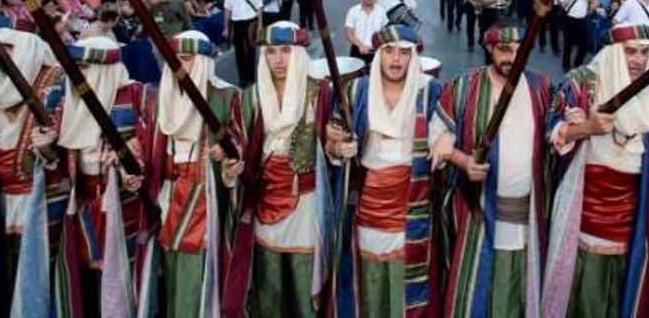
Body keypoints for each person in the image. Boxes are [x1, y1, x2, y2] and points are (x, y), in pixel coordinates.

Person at [430, 19, 551, 317]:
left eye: (519, 50)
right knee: (476, 282)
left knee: (517, 282)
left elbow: (555, 132)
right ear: (490, 49)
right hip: (478, 209)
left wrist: (573, 121)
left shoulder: (541, 87)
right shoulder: (463, 86)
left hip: (526, 210)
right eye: (504, 49)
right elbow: (439, 137)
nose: (512, 57)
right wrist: (463, 161)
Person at [325, 24, 446, 317]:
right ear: (378, 55)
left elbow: (447, 131)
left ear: (413, 56)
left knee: (409, 277)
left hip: (413, 203)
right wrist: (339, 149)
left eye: (404, 52)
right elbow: (331, 141)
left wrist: (445, 139)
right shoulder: (356, 90)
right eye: (389, 51)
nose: (395, 59)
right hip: (366, 201)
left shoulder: (431, 92)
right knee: (365, 275)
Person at [543, 24, 649, 318]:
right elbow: (551, 128)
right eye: (630, 52)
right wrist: (585, 128)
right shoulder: (581, 82)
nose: (638, 60)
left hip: (631, 215)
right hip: (583, 209)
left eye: (644, 52)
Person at [223, 22, 333, 317]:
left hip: (307, 204)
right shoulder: (249, 98)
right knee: (269, 278)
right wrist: (229, 164)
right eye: (270, 52)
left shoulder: (320, 93)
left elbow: (334, 144)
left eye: (285, 51)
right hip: (265, 201)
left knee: (303, 276)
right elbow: (236, 142)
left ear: (298, 53)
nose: (278, 60)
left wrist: (337, 149)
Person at [137, 30, 245, 317]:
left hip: (204, 200)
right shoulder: (156, 98)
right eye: (174, 61)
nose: (178, 68)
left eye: (186, 60)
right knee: (169, 271)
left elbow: (240, 145)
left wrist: (229, 156)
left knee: (195, 273)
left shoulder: (227, 96)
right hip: (167, 198)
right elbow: (148, 148)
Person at [0, 18, 72, 314]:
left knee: (37, 273)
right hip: (0, 201)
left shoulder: (57, 83)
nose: (0, 60)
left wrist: (49, 149)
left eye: (8, 50)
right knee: (1, 271)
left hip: (43, 199)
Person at [53, 36, 147, 316]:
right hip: (83, 204)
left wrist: (135, 157)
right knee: (86, 279)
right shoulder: (65, 96)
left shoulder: (138, 96)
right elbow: (57, 154)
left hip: (124, 208)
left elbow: (152, 150)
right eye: (77, 67)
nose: (79, 75)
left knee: (125, 278)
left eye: (86, 68)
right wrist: (46, 148)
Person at [224, 0, 263, 87]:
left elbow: (259, 8)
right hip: (237, 23)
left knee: (251, 50)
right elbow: (227, 9)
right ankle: (243, 77)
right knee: (239, 52)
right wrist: (226, 27)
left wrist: (260, 25)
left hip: (251, 22)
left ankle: (251, 77)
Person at [344, 0, 388, 66]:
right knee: (356, 77)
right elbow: (349, 33)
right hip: (357, 51)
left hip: (376, 52)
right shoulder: (353, 11)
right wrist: (360, 46)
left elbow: (386, 31)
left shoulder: (381, 11)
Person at [559, 0, 593, 72]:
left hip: (582, 20)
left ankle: (578, 63)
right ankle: (566, 65)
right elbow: (563, 3)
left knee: (584, 44)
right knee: (568, 43)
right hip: (570, 19)